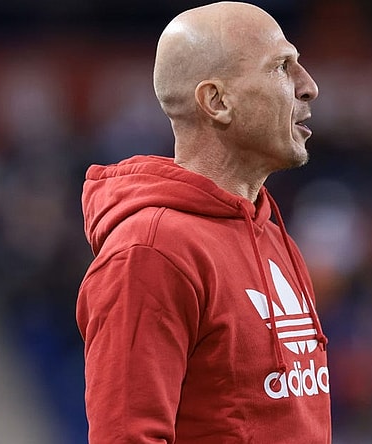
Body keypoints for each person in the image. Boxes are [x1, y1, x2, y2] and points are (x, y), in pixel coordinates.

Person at [76, 2, 331, 443]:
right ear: (217, 101)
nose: (308, 87)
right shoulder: (150, 252)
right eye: (281, 67)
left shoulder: (270, 234)